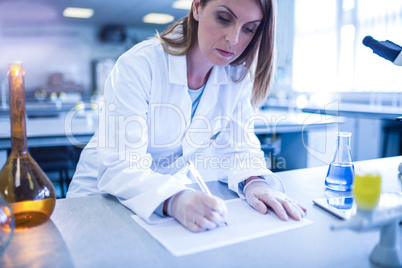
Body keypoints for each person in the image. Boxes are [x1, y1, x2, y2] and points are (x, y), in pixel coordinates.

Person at [67, 0, 306, 232]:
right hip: (100, 201)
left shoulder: (236, 76)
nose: (233, 39)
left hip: (168, 204)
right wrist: (174, 199)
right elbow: (121, 165)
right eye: (224, 18)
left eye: (249, 29)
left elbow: (239, 148)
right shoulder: (139, 64)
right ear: (197, 7)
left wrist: (255, 182)